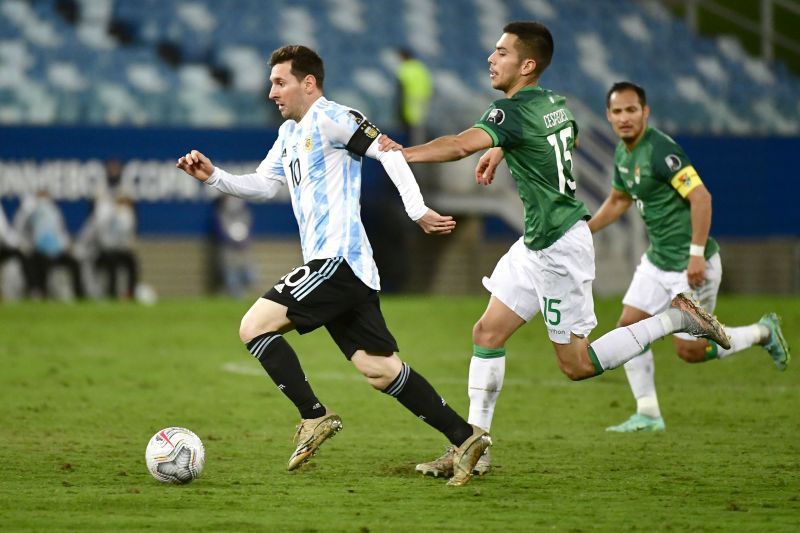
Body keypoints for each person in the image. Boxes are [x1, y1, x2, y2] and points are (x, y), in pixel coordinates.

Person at [378, 21, 731, 478]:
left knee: (578, 365)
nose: (491, 57)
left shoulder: (510, 113)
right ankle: (473, 449)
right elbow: (569, 137)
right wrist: (504, 150)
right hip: (538, 242)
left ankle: (678, 318)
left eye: (502, 52)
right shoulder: (554, 104)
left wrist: (401, 154)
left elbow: (459, 145)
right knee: (487, 333)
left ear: (526, 65)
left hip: (559, 248)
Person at [176, 45, 490, 486]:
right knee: (379, 369)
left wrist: (417, 210)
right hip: (343, 269)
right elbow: (265, 185)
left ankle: (314, 416)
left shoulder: (336, 117)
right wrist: (213, 176)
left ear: (308, 83)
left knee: (254, 326)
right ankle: (464, 438)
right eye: (270, 83)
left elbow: (390, 153)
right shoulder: (289, 134)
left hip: (339, 260)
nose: (271, 93)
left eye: (279, 82)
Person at [586, 81, 790, 432]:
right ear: (608, 115)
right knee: (627, 328)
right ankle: (648, 414)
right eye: (617, 111)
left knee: (690, 352)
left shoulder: (661, 150)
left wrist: (696, 254)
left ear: (645, 112)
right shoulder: (623, 154)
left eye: (631, 110)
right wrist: (584, 231)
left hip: (692, 264)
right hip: (657, 260)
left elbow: (702, 198)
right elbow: (619, 200)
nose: (624, 117)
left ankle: (762, 332)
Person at [14, 189, 86, 300]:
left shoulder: (54, 211)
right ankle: (41, 293)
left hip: (57, 250)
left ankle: (80, 295)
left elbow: (60, 232)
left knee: (74, 262)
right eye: (41, 195)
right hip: (38, 250)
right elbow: (20, 229)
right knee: (37, 261)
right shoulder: (30, 211)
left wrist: (67, 246)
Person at [396, 48, 433, 147]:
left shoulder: (405, 68)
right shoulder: (420, 67)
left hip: (410, 100)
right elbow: (428, 83)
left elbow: (401, 87)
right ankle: (422, 149)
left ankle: (413, 153)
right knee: (420, 127)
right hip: (422, 99)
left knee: (412, 129)